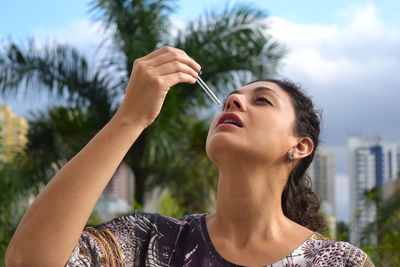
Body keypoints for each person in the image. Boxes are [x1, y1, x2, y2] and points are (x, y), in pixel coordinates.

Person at [5, 46, 374, 267]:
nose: (234, 100)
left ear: (300, 146)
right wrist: (131, 117)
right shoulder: (150, 243)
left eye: (261, 100)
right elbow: (30, 260)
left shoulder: (338, 261)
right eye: (233, 96)